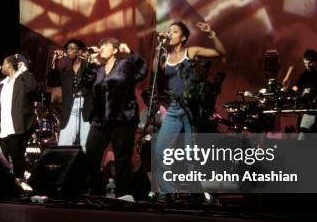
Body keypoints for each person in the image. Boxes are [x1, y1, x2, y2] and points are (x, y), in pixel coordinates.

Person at [153, 20, 226, 194]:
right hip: (173, 108)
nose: (170, 34)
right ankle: (168, 192)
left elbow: (219, 52)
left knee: (191, 154)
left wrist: (211, 33)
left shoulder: (190, 52)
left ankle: (196, 193)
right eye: (169, 31)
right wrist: (158, 47)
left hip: (191, 108)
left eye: (175, 31)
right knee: (160, 150)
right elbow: (156, 70)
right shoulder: (166, 56)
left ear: (183, 37)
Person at [82, 38, 147, 196]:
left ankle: (123, 195)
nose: (101, 47)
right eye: (100, 45)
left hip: (122, 119)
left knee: (122, 160)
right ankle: (95, 192)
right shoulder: (99, 69)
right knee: (90, 157)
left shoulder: (124, 65)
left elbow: (143, 70)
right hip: (100, 121)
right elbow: (86, 82)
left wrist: (130, 53)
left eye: (105, 45)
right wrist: (91, 61)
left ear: (115, 50)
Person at [0, 54, 38, 188]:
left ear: (10, 65)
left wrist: (24, 71)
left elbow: (33, 88)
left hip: (18, 125)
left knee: (17, 155)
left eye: (3, 63)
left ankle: (19, 182)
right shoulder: (2, 83)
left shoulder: (21, 79)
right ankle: (4, 184)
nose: (2, 66)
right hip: (3, 127)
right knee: (1, 159)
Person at [47, 39, 93, 150]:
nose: (68, 51)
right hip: (70, 110)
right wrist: (54, 62)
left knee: (85, 145)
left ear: (79, 52)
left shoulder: (88, 68)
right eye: (67, 49)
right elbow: (52, 82)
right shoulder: (66, 72)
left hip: (86, 110)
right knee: (64, 144)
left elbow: (93, 79)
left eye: (72, 48)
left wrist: (89, 63)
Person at [289, 49, 317, 135]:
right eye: (305, 63)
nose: (307, 66)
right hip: (309, 111)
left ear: (316, 61)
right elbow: (294, 90)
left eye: (309, 63)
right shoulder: (303, 76)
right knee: (302, 136)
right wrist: (287, 88)